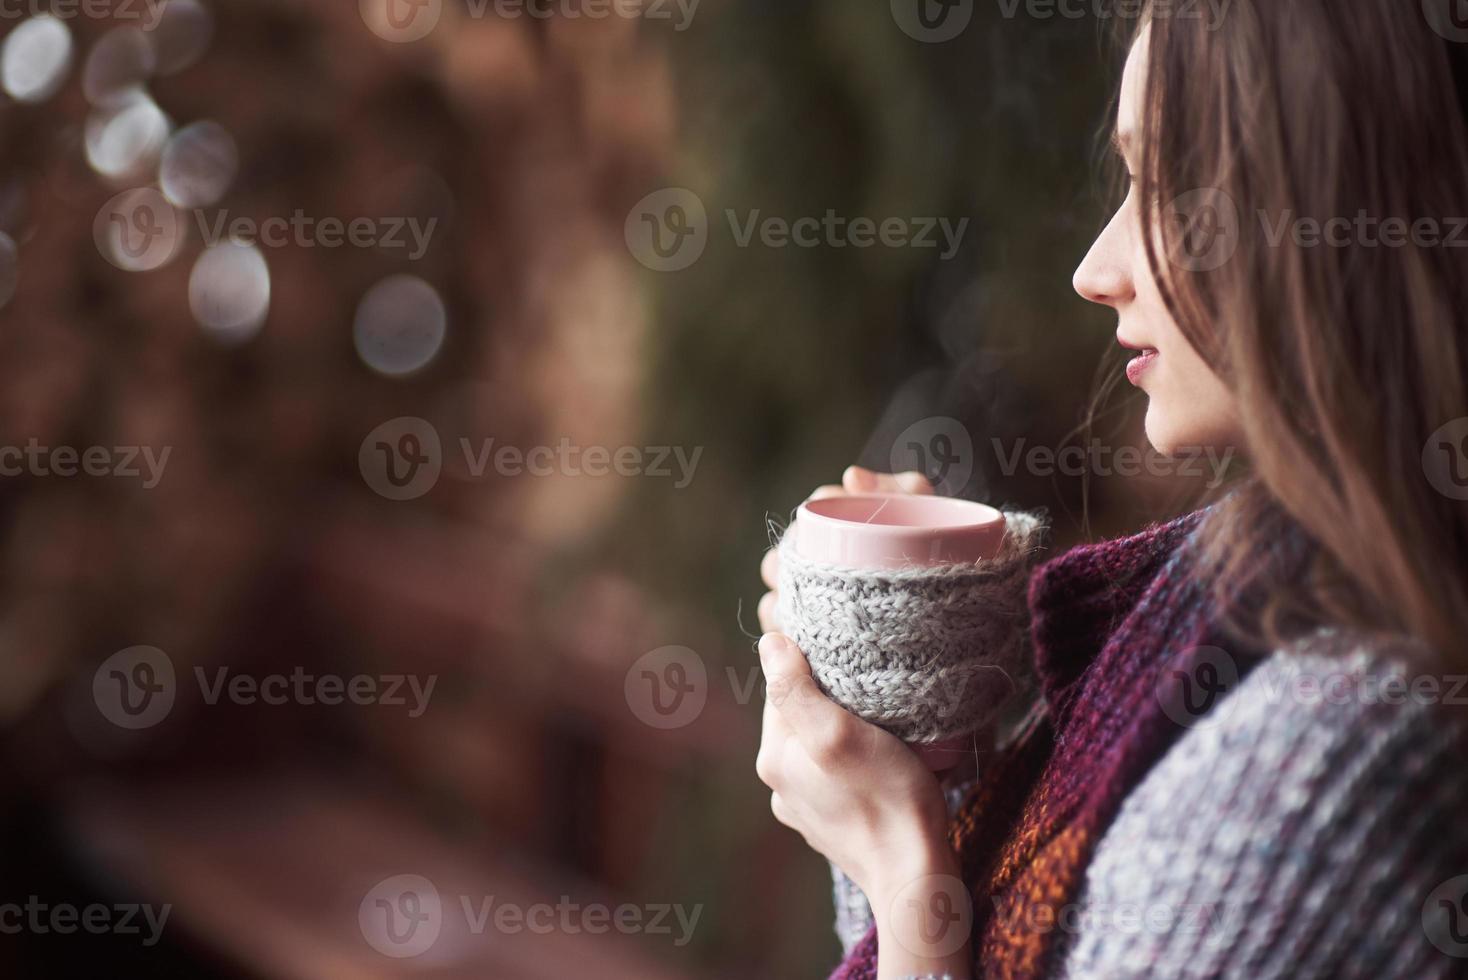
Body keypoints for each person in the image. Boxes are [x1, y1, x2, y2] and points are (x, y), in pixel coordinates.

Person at [755, 4, 1468, 978]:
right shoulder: (1236, 608)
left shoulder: (1334, 757)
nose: (1095, 270)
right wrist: (921, 744)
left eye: (1170, 185)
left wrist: (898, 861)